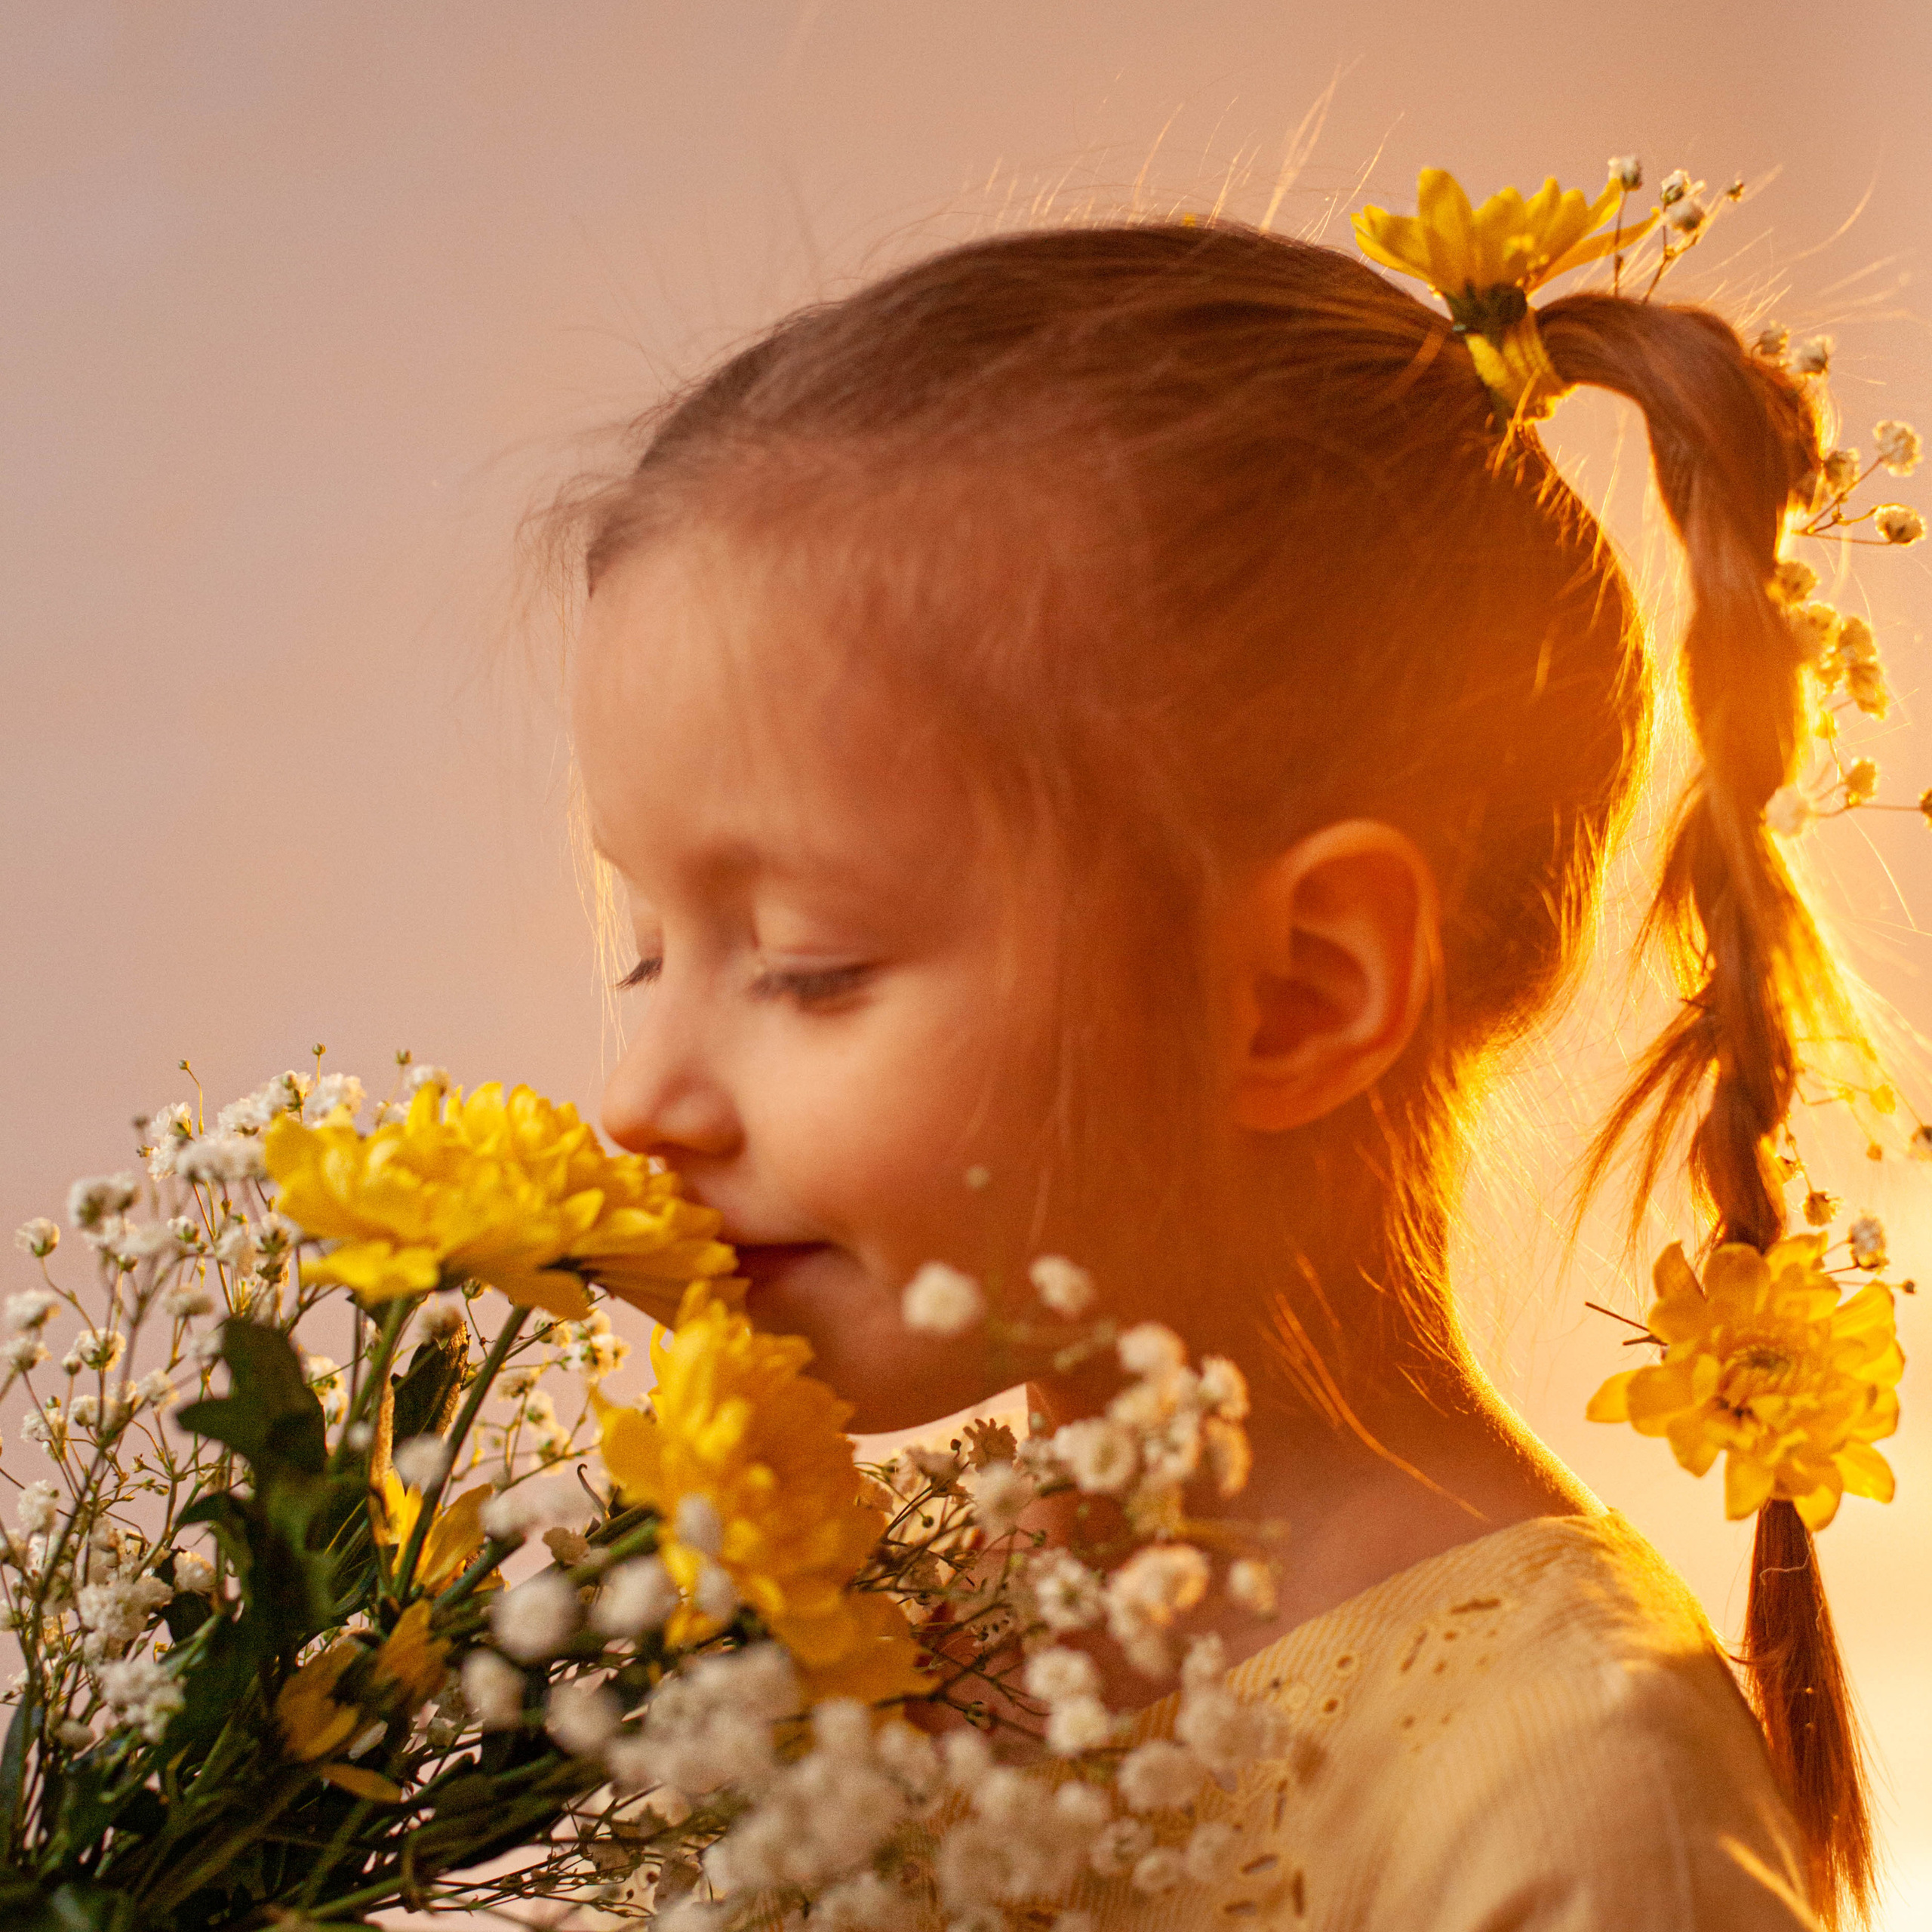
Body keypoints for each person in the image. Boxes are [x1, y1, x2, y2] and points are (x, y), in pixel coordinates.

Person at [562, 171, 1878, 1928]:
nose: (636, 1098)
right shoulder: (876, 1619)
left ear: (1297, 991)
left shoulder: (1572, 1800)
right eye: (646, 946)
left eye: (807, 963)